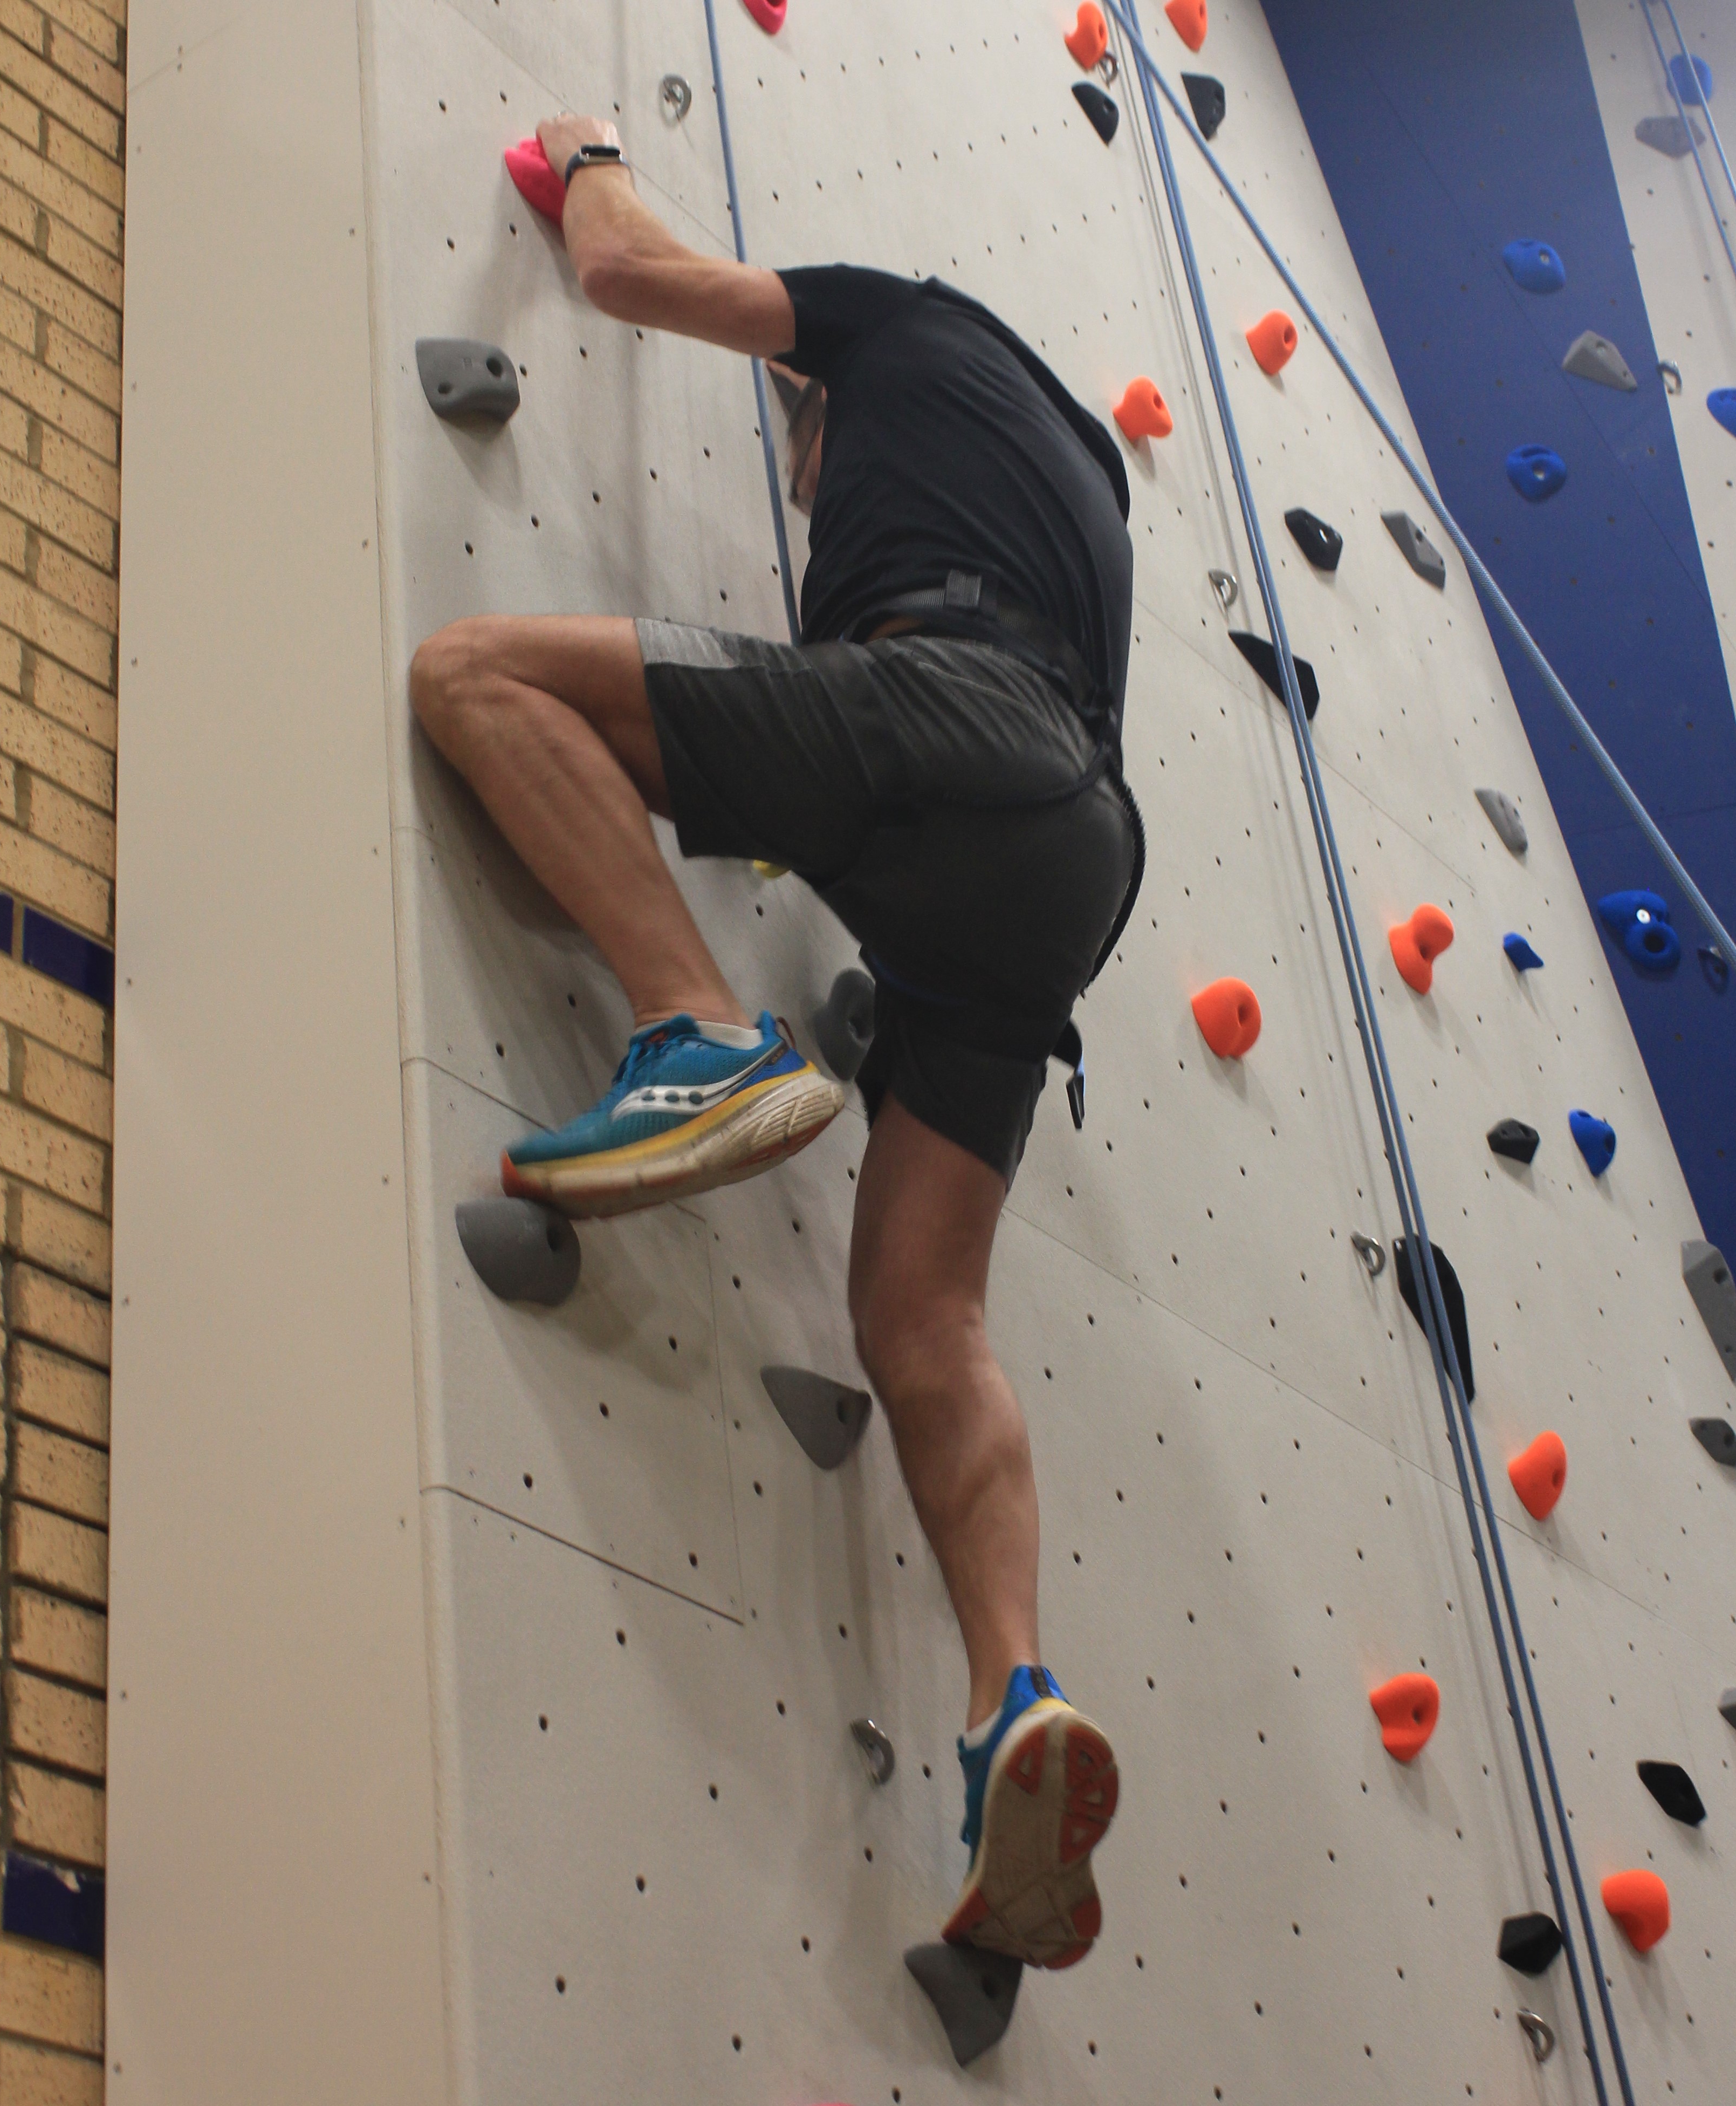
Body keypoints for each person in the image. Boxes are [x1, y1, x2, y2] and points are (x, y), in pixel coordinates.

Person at [410, 110, 1139, 1973]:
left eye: (800, 465)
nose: (808, 496)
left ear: (822, 398)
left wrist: (582, 152)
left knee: (475, 674)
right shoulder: (1089, 500)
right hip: (1074, 855)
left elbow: (639, 273)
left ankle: (695, 1029)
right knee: (926, 1317)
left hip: (947, 709)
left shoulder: (896, 326)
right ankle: (1010, 1706)